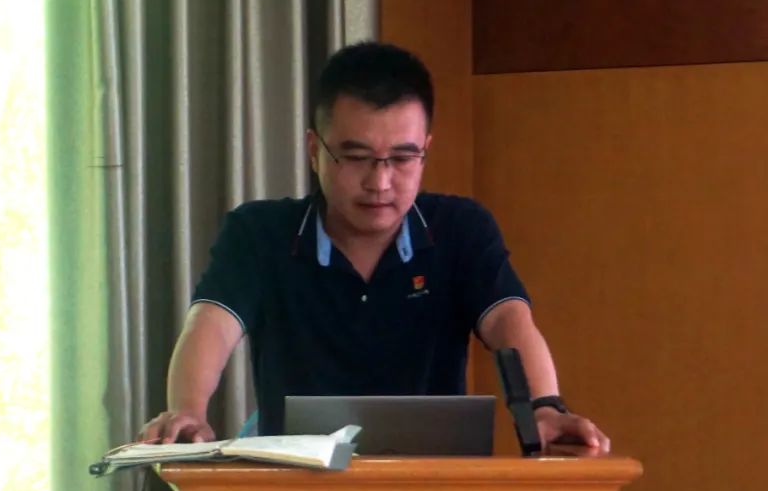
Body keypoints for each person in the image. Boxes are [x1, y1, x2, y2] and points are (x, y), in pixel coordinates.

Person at [141, 42, 610, 452]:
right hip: (291, 486)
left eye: (403, 158)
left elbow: (509, 320)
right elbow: (212, 324)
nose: (380, 182)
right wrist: (188, 411)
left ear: (425, 150)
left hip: (430, 484)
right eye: (356, 157)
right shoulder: (260, 233)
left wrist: (545, 407)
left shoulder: (460, 229)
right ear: (315, 151)